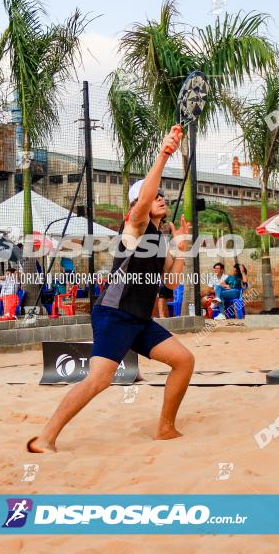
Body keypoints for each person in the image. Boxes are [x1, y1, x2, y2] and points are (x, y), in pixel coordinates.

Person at [27, 125, 193, 452]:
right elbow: (145, 198)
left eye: (162, 195)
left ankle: (165, 427)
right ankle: (45, 438)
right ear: (136, 207)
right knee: (99, 379)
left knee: (184, 361)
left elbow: (171, 280)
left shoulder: (159, 241)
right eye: (153, 195)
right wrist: (164, 152)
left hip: (139, 319)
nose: (160, 197)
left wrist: (182, 249)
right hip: (115, 314)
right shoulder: (134, 225)